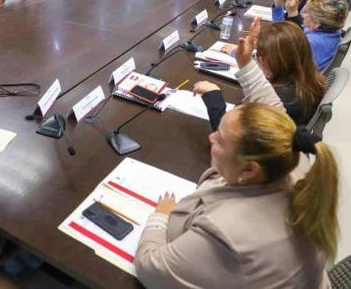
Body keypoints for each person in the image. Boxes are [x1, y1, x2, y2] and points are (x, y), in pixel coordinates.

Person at [135, 101, 338, 288]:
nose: (211, 137)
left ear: (249, 170)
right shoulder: (293, 160)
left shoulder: (225, 234)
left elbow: (149, 268)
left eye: (220, 140)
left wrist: (160, 217)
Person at [200, 17, 325, 126]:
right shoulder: (309, 80)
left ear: (263, 61)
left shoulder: (277, 103)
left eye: (257, 57)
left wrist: (213, 95)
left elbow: (227, 134)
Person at [284, 0, 347, 71]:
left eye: (306, 12)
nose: (303, 15)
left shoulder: (311, 43)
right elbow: (300, 30)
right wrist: (291, 11)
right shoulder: (332, 31)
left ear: (317, 23)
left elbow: (280, 66)